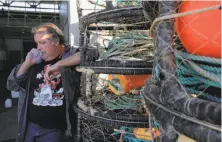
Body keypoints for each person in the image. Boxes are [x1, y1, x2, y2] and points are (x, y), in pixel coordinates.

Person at [7, 23, 81, 142]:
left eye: (42, 43)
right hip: (29, 126)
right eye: (37, 43)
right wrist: (27, 64)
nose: (38, 48)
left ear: (56, 41)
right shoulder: (35, 60)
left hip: (55, 129)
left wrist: (59, 64)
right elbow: (13, 85)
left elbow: (90, 55)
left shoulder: (69, 54)